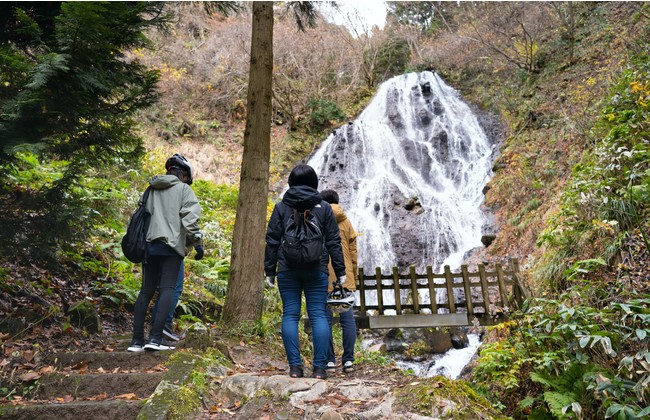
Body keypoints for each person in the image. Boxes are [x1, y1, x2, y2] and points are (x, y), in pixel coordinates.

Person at [264, 164, 346, 379]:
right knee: (318, 315)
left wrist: (269, 270)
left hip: (287, 269)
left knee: (290, 315)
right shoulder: (324, 207)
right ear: (314, 182)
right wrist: (340, 270)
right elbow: (334, 242)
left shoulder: (282, 207)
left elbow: (272, 240)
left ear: (290, 182)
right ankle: (319, 368)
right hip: (316, 268)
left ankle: (295, 368)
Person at [127, 154, 204, 352]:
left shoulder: (151, 189)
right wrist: (198, 243)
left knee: (146, 291)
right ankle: (155, 338)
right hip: (171, 248)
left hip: (149, 246)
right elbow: (190, 221)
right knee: (168, 289)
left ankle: (136, 341)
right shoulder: (183, 190)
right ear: (184, 175)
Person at [320, 189, 358, 374]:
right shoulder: (346, 222)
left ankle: (329, 361)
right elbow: (353, 252)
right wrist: (353, 276)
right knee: (347, 319)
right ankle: (348, 361)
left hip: (323, 275)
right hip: (345, 276)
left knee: (325, 319)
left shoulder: (318, 219)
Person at [151, 260, 184, 342]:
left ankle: (156, 328)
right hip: (173, 252)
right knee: (173, 288)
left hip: (152, 252)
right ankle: (164, 326)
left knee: (162, 289)